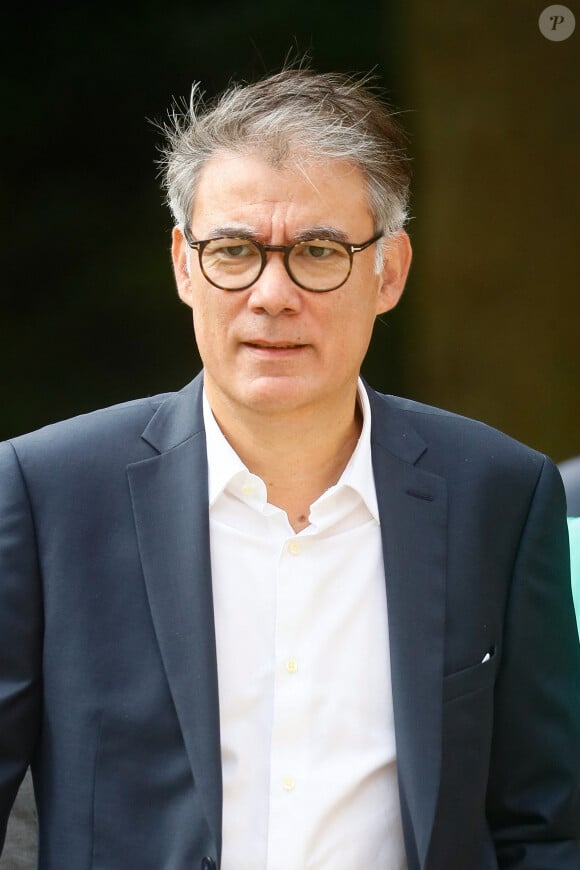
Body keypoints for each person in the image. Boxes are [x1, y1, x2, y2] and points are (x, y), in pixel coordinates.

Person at [1, 68, 579, 870]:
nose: (272, 294)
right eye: (234, 250)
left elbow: (544, 826)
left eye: (318, 250)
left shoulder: (500, 495)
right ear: (183, 264)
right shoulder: (43, 492)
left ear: (391, 270)